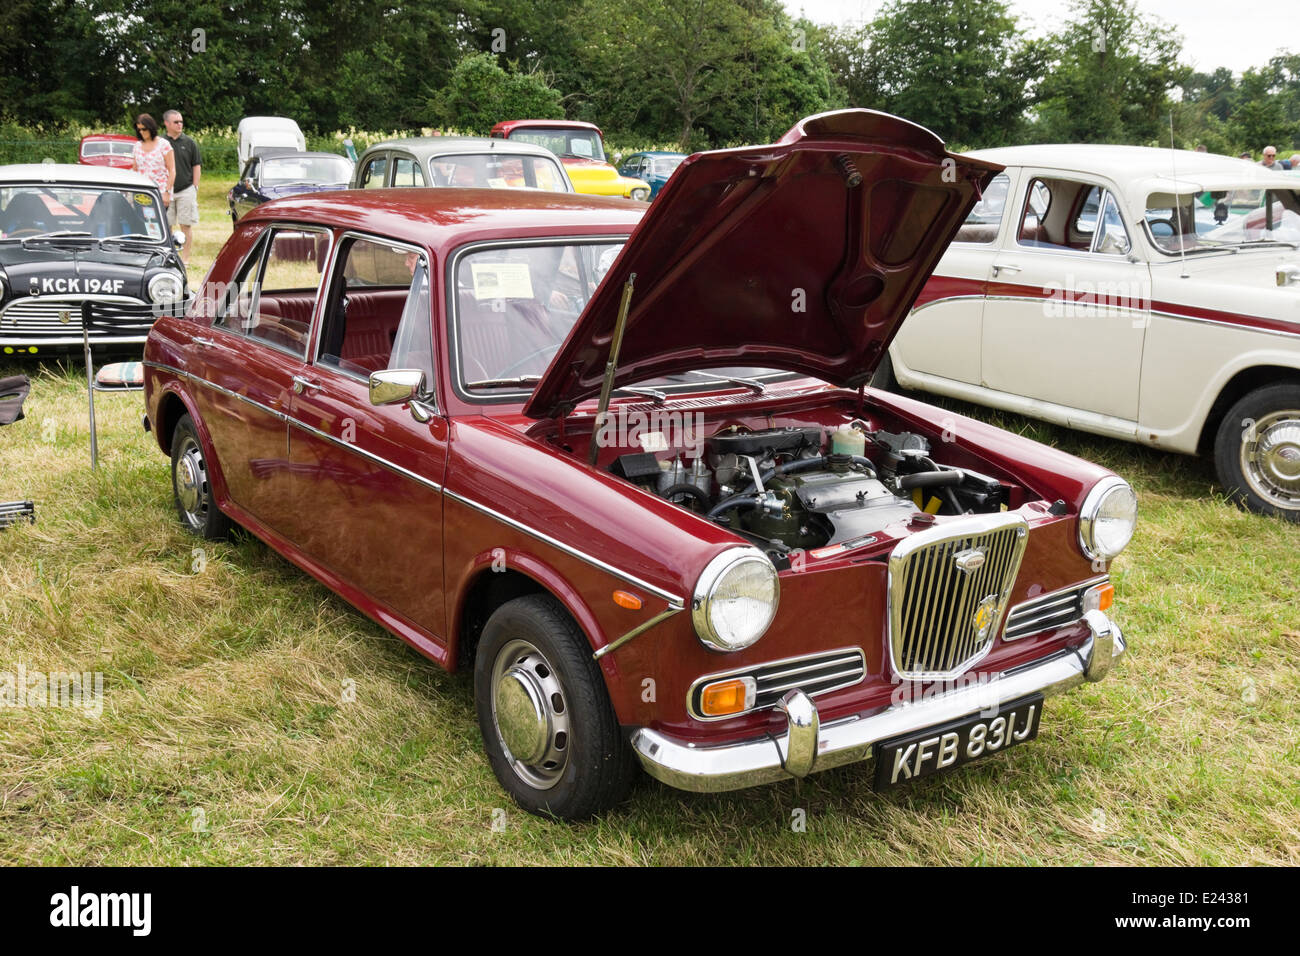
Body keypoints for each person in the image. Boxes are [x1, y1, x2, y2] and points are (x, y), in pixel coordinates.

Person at [162, 109, 201, 265]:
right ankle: (170, 256)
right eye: (176, 122)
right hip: (166, 190)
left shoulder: (189, 142)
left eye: (181, 122)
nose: (180, 125)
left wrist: (195, 187)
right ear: (167, 124)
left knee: (186, 224)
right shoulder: (161, 143)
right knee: (167, 225)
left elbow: (196, 165)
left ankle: (184, 259)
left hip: (186, 189)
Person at [131, 114, 174, 215]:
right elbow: (135, 170)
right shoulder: (137, 146)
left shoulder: (164, 145)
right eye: (139, 130)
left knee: (156, 225)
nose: (141, 132)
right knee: (142, 223)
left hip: (159, 193)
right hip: (140, 193)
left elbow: (172, 170)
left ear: (151, 128)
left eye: (144, 129)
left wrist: (167, 192)